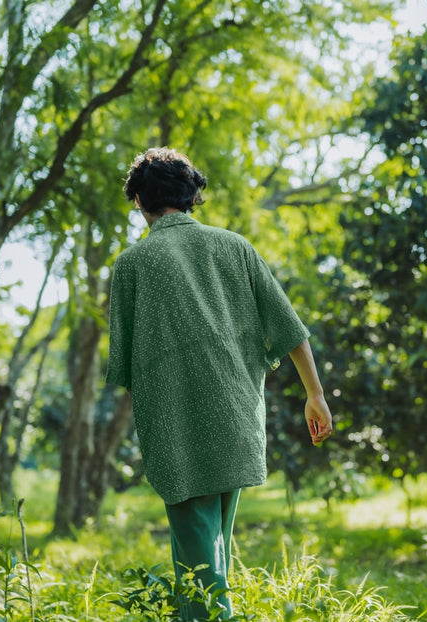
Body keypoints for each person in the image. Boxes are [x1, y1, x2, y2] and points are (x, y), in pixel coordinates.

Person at [106, 147, 333, 620]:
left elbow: (123, 368)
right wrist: (316, 395)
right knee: (214, 552)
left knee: (198, 563)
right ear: (191, 196)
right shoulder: (236, 247)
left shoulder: (132, 264)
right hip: (236, 420)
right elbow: (290, 328)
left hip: (177, 431)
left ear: (140, 202)